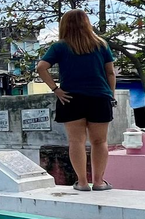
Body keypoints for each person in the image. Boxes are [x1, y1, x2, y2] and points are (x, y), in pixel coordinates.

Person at [35, 10, 117, 191]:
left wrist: (56, 89)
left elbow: (41, 67)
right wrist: (110, 95)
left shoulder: (60, 47)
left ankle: (81, 182)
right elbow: (110, 73)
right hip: (99, 97)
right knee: (100, 141)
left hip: (71, 98)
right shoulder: (101, 45)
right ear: (87, 23)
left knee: (76, 141)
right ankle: (99, 182)